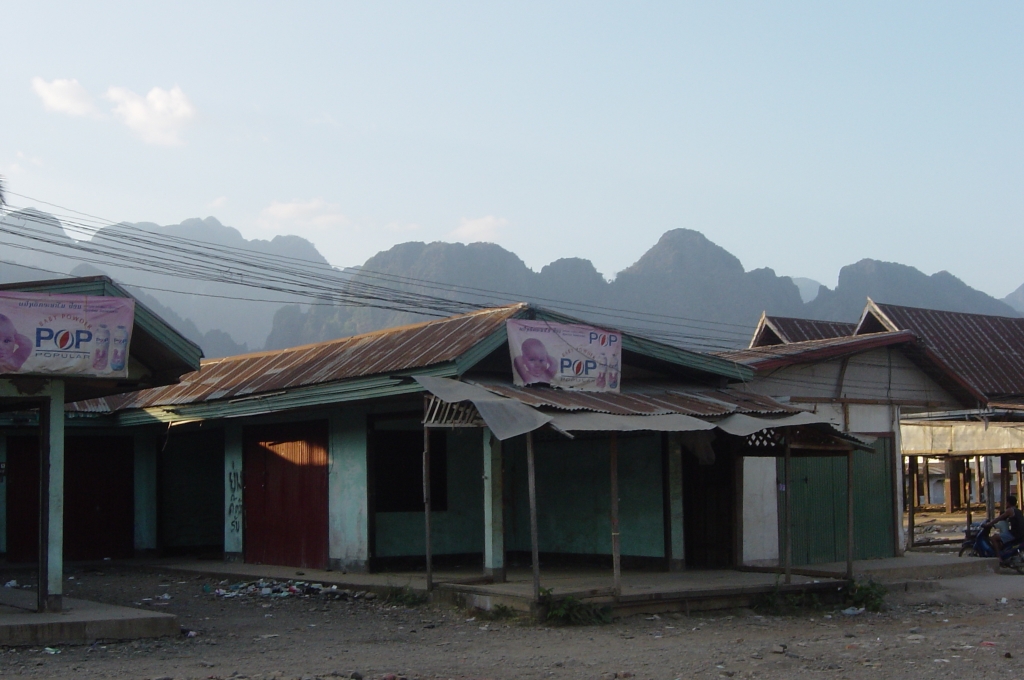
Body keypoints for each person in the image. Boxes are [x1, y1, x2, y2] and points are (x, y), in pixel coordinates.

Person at [984, 494, 1024, 561]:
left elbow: (999, 518)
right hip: (1021, 533)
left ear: (1008, 502)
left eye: (1006, 502)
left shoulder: (1010, 510)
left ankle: (998, 557)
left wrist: (989, 524)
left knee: (993, 538)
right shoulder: (1018, 511)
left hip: (1014, 533)